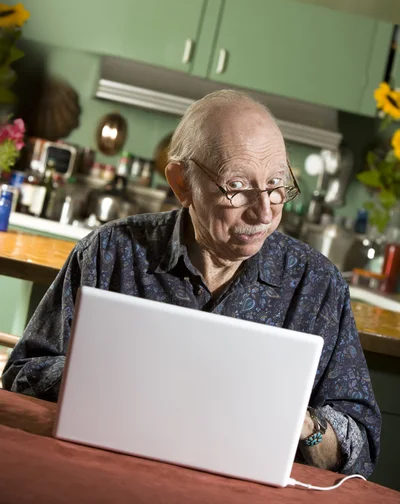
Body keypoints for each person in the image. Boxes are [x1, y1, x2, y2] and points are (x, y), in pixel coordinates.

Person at [2, 89, 380, 477]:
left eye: (276, 185)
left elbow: (361, 448)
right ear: (182, 183)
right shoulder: (109, 253)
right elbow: (22, 375)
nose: (265, 211)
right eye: (237, 187)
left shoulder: (317, 285)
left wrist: (306, 425)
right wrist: (110, 378)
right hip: (107, 474)